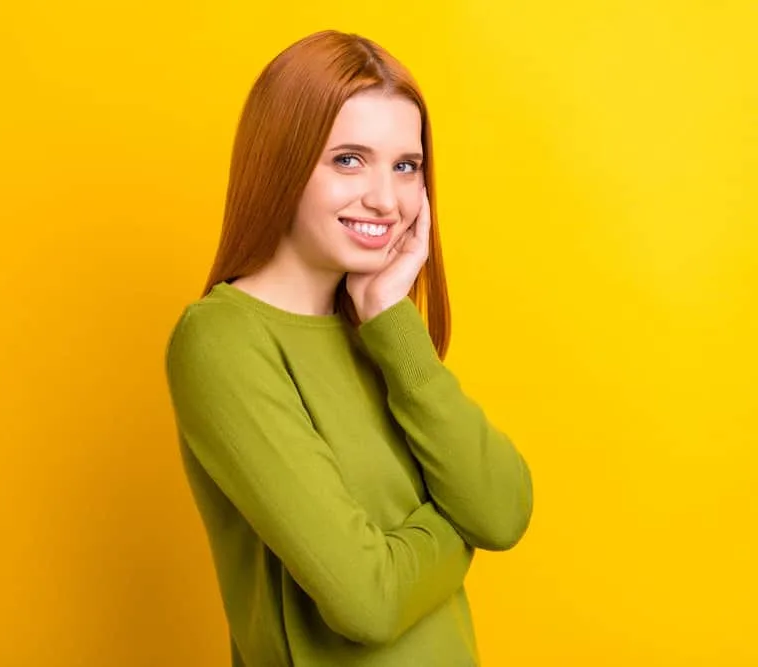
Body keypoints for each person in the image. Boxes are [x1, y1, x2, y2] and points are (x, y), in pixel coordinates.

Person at [164, 29, 533, 666]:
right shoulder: (221, 341)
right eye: (349, 159)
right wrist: (458, 524)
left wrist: (391, 318)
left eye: (405, 165)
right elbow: (367, 598)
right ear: (282, 159)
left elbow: (504, 509)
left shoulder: (379, 332)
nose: (385, 199)